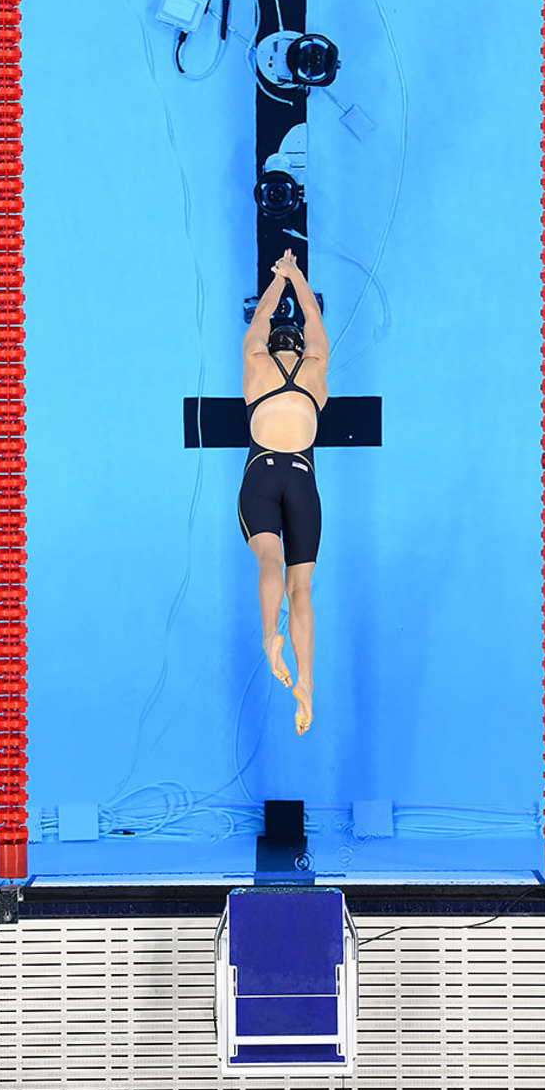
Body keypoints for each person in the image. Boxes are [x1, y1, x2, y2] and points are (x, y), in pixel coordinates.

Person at [238, 248, 329, 734]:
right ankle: (307, 684)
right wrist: (297, 276)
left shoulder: (257, 362)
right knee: (302, 588)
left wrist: (278, 277)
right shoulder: (316, 369)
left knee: (269, 560)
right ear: (300, 347)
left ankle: (270, 634)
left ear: (272, 346)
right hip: (302, 480)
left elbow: (262, 316)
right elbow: (313, 315)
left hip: (262, 475)